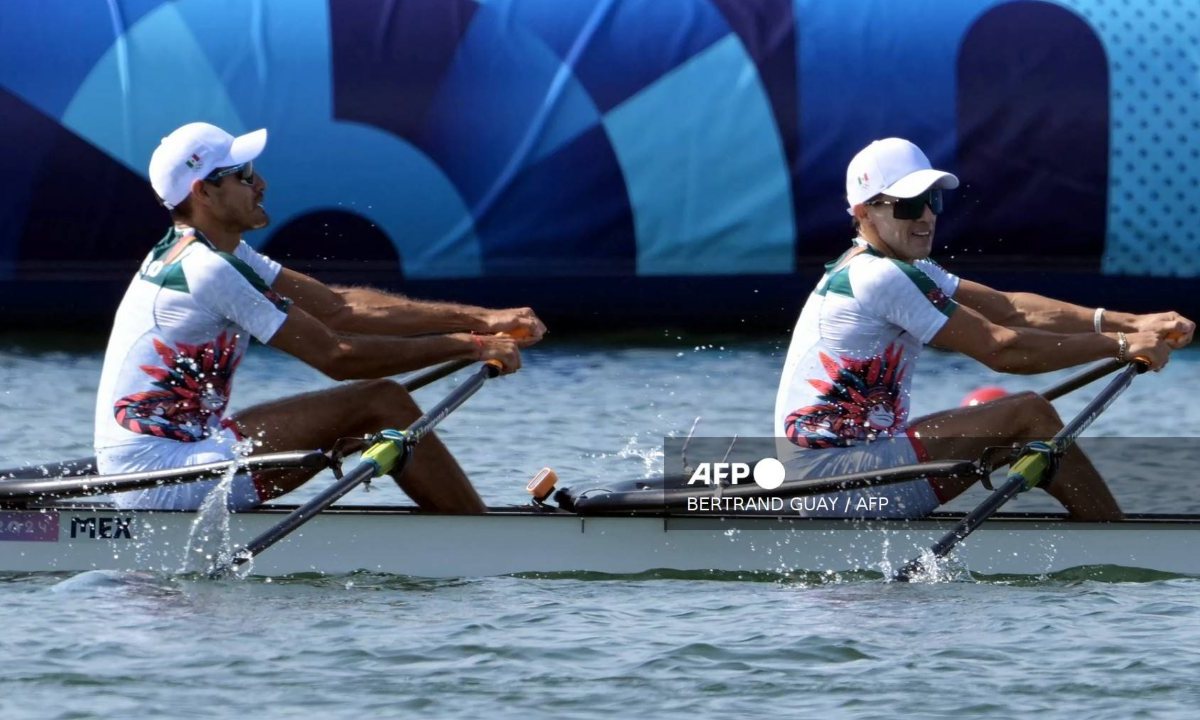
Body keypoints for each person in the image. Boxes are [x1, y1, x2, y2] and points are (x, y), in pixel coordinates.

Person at [94, 122, 546, 513]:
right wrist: (472, 346)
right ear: (204, 191)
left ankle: (472, 531)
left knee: (366, 406)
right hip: (161, 481)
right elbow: (338, 356)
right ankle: (482, 544)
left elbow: (339, 308)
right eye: (244, 175)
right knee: (381, 403)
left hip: (179, 455)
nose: (261, 183)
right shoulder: (208, 269)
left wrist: (486, 319)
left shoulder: (212, 252)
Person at [774, 137, 1194, 521]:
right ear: (865, 212)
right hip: (830, 483)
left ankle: (1107, 534)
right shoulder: (878, 276)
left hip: (846, 472)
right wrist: (1121, 346)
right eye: (907, 204)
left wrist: (1135, 322)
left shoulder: (905, 268)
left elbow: (1010, 309)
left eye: (932, 200)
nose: (925, 216)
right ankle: (1119, 546)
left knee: (1023, 418)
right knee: (1029, 415)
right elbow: (1002, 349)